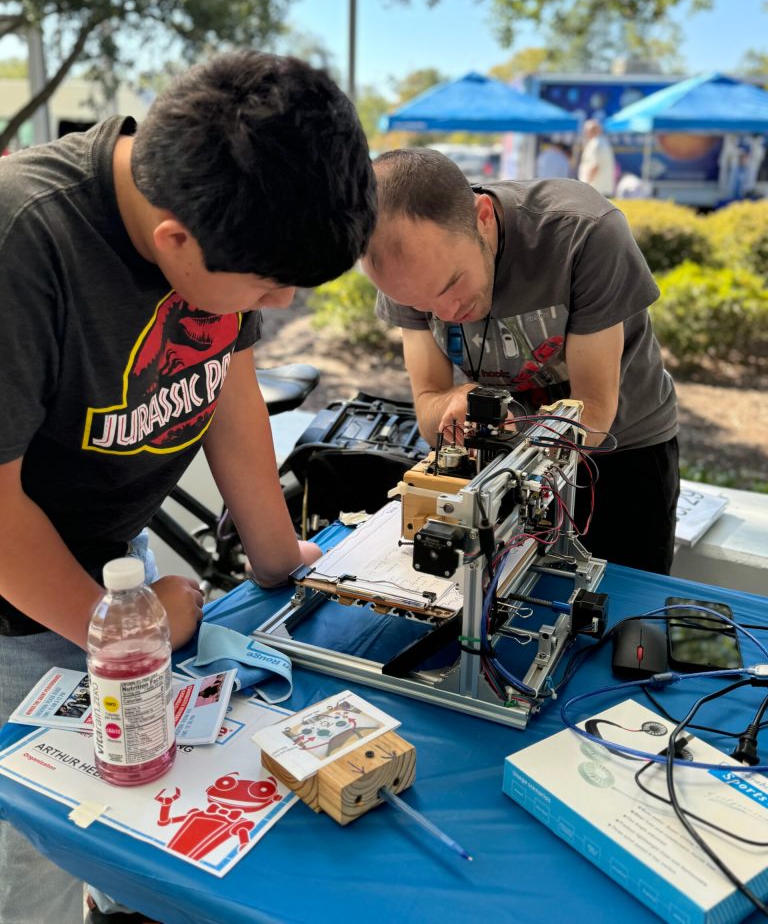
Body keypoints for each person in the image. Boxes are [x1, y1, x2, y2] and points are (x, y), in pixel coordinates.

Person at [0, 50, 376, 924]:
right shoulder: (26, 241)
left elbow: (227, 390)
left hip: (111, 581)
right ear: (174, 239)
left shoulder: (229, 208)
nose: (277, 303)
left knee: (129, 849)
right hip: (19, 604)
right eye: (270, 285)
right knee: (42, 865)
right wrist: (131, 633)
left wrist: (286, 561)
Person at [361, 148, 679, 577]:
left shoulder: (582, 234)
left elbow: (594, 416)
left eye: (452, 284)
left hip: (624, 451)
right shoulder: (405, 269)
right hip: (504, 459)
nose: (447, 311)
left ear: (483, 217)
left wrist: (506, 430)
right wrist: (456, 401)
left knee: (624, 609)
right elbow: (428, 408)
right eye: (420, 305)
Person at [577, 119, 616, 196]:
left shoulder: (595, 144)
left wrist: (585, 186)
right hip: (603, 188)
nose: (585, 133)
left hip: (595, 189)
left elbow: (594, 166)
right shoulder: (603, 142)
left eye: (586, 130)